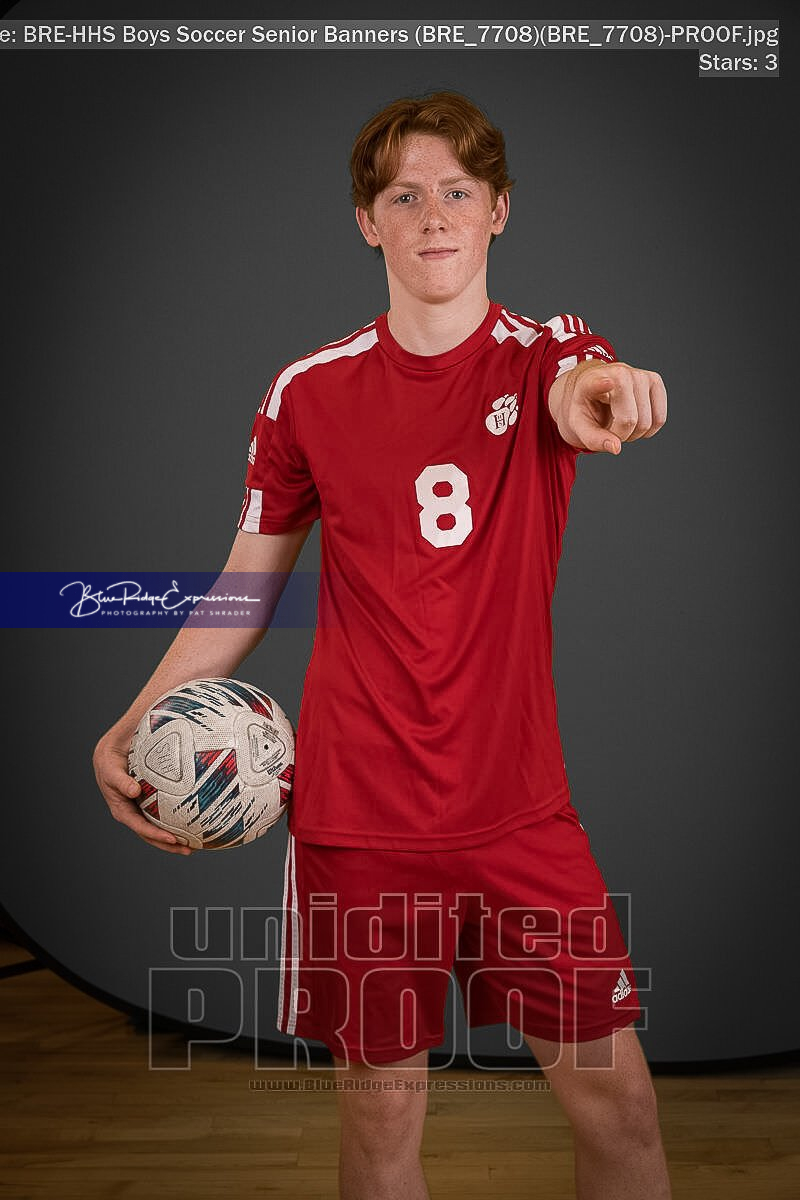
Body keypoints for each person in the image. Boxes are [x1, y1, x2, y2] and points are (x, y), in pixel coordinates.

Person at [94, 91, 671, 1199]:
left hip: (518, 810)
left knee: (622, 1109)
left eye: (457, 190)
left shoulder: (542, 357)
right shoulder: (306, 393)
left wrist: (609, 393)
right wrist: (131, 722)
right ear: (367, 221)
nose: (433, 216)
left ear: (499, 209)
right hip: (359, 818)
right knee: (379, 1122)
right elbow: (244, 589)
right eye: (403, 196)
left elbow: (583, 384)